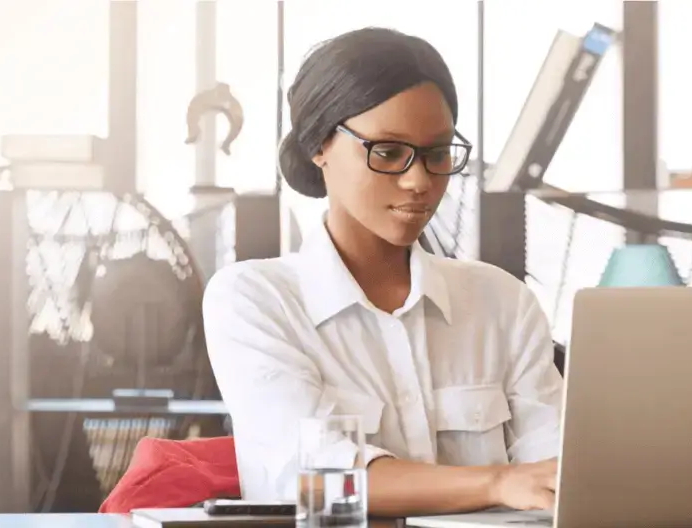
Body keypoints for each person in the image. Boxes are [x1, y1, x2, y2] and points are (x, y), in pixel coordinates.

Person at [203, 27, 562, 518]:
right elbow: (315, 481)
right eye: (388, 152)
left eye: (437, 154)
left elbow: (557, 473)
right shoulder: (253, 300)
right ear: (319, 145)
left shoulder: (502, 302)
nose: (419, 182)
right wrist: (499, 482)